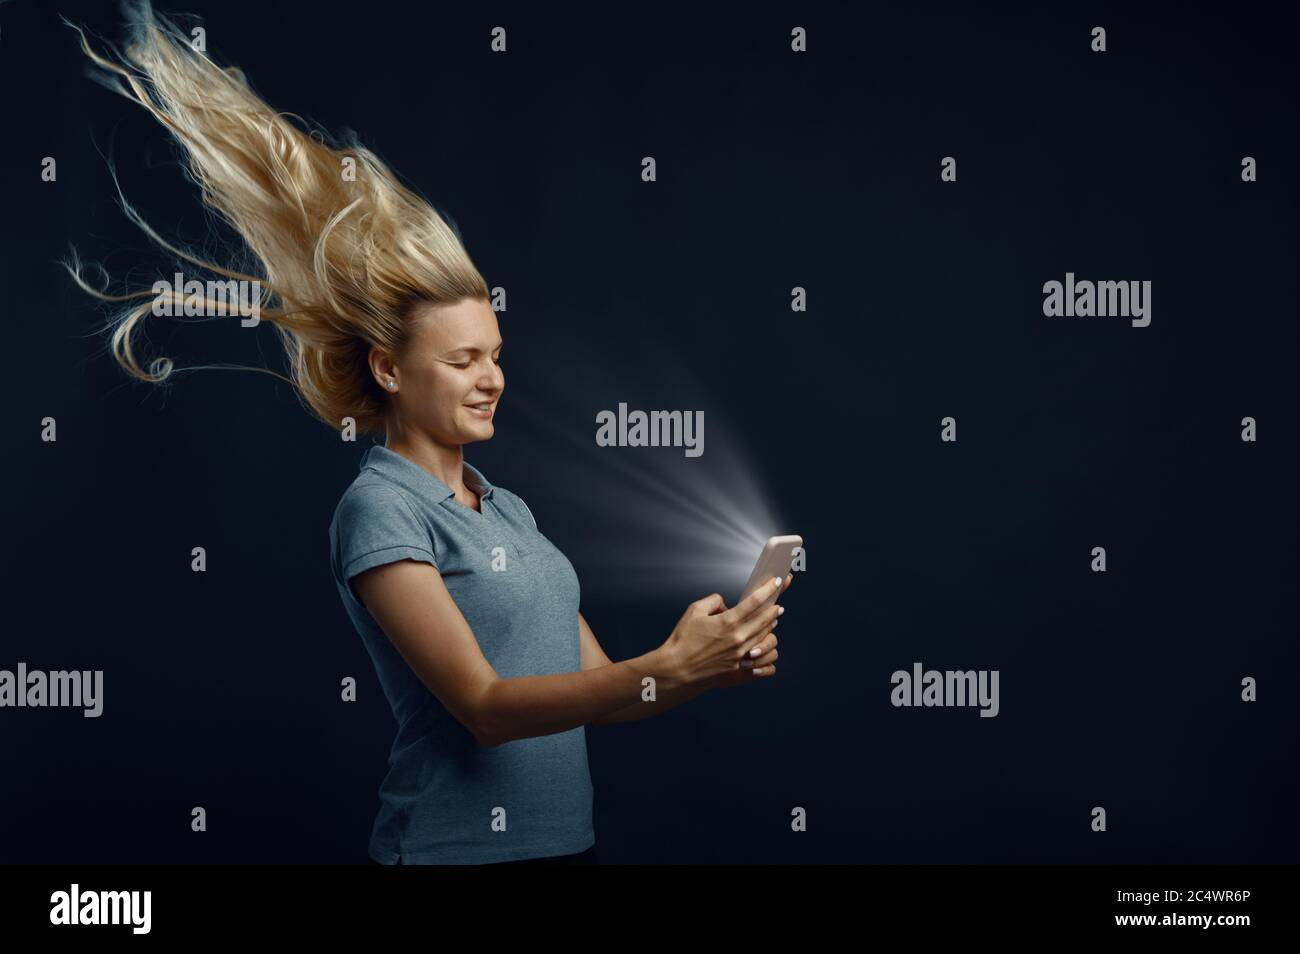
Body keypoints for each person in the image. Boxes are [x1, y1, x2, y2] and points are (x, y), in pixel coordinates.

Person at [65, 0, 791, 865]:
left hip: (565, 851)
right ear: (388, 370)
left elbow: (604, 694)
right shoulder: (380, 511)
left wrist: (694, 663)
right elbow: (484, 708)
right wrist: (664, 668)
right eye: (463, 361)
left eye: (494, 354)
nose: (493, 379)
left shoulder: (507, 510)